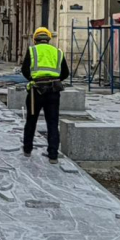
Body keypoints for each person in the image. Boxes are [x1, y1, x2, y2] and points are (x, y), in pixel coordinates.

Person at [21, 27, 70, 163]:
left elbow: (25, 70)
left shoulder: (32, 50)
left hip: (35, 91)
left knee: (31, 120)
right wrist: (54, 79)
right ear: (49, 39)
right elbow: (65, 73)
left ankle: (27, 149)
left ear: (35, 39)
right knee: (52, 123)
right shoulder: (58, 52)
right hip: (53, 91)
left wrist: (34, 78)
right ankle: (53, 155)